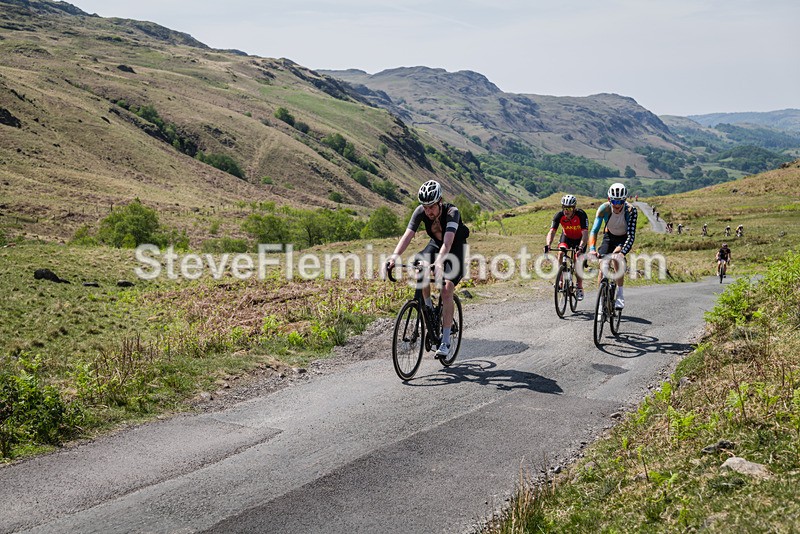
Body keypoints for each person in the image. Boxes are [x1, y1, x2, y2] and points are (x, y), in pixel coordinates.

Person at [386, 180, 470, 358]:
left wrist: (439, 262)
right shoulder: (420, 212)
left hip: (455, 249)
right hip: (435, 245)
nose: (428, 211)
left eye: (431, 207)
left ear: (439, 201)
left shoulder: (452, 212)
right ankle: (429, 308)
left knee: (447, 289)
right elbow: (408, 235)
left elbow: (447, 243)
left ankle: (446, 341)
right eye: (425, 207)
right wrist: (394, 256)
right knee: (420, 265)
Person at [588, 182, 638, 309]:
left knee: (616, 258)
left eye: (620, 202)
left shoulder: (631, 211)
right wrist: (592, 249)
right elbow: (594, 231)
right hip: (609, 237)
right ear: (609, 199)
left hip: (623, 238)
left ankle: (620, 294)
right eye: (614, 202)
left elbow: (631, 235)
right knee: (603, 264)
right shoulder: (604, 209)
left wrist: (622, 253)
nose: (617, 205)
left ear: (625, 200)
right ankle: (600, 302)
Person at [544, 194, 589, 300]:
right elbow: (552, 231)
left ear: (574, 208)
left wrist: (581, 246)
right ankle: (560, 280)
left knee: (578, 260)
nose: (566, 211)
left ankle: (579, 287)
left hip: (580, 240)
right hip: (567, 238)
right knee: (560, 253)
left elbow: (585, 234)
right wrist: (548, 244)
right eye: (564, 207)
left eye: (568, 208)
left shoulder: (581, 215)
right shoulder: (559, 216)